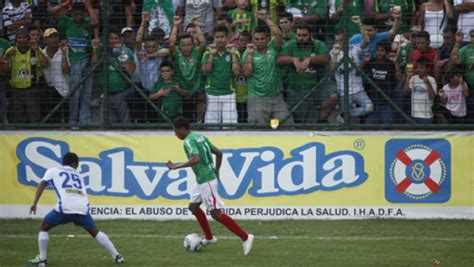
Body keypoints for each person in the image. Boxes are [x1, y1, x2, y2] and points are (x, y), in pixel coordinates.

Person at [167, 116, 254, 256]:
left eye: (175, 131)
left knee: (216, 214)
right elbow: (219, 153)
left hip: (206, 179)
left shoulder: (189, 141)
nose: (175, 134)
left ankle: (245, 237)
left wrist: (176, 167)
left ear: (182, 129)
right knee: (193, 207)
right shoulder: (199, 136)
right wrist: (217, 170)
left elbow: (196, 159)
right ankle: (209, 237)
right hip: (203, 178)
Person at [27, 152, 124, 265]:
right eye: (77, 165)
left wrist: (34, 203)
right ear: (73, 164)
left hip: (65, 207)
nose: (77, 167)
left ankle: (42, 259)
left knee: (44, 227)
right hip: (82, 207)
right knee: (95, 232)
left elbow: (42, 184)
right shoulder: (78, 175)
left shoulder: (53, 170)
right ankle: (117, 255)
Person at [243, 10, 294, 125]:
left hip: (276, 96)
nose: (259, 41)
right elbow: (247, 73)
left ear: (267, 39)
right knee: (257, 128)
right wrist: (250, 55)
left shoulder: (273, 48)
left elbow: (278, 34)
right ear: (253, 40)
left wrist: (266, 19)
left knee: (287, 124)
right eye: (257, 39)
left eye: (262, 39)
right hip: (257, 98)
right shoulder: (248, 52)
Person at [201, 25, 240, 125]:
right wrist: (211, 55)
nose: (219, 40)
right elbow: (206, 71)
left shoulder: (234, 52)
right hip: (212, 93)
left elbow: (236, 72)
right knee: (211, 126)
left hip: (229, 93)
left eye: (222, 37)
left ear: (227, 38)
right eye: (217, 37)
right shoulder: (207, 52)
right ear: (214, 38)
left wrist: (232, 55)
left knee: (230, 126)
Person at [404, 57, 437, 124]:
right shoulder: (414, 78)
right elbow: (406, 90)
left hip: (426, 116)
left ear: (427, 69)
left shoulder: (431, 80)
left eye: (422, 68)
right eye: (418, 67)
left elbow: (432, 97)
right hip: (414, 115)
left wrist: (428, 83)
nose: (419, 69)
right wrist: (408, 77)